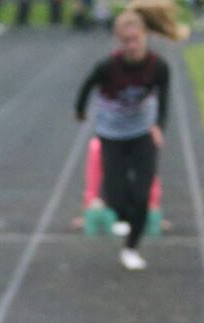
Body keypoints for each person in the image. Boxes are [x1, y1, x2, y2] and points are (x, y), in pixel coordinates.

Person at [75, 3, 181, 270]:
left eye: (135, 40)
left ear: (145, 36)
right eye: (126, 41)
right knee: (118, 199)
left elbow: (164, 100)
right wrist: (80, 112)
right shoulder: (107, 67)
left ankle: (131, 248)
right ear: (118, 41)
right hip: (112, 135)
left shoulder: (159, 67)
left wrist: (159, 126)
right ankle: (126, 213)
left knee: (143, 195)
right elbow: (85, 88)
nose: (131, 46)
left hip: (142, 133)